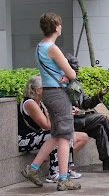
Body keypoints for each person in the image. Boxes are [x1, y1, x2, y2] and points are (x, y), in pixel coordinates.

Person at [21, 12, 81, 191]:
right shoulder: (52, 48)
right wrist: (67, 75)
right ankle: (64, 179)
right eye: (60, 25)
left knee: (56, 134)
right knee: (64, 136)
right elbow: (72, 73)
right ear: (56, 27)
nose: (61, 27)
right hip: (58, 94)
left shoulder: (39, 47)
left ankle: (32, 169)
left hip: (48, 92)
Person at [18, 74, 88, 183]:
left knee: (75, 136)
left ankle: (65, 168)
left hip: (39, 135)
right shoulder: (30, 103)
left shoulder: (40, 101)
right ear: (37, 90)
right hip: (24, 140)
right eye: (45, 88)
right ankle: (54, 173)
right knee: (58, 135)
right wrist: (57, 112)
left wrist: (67, 111)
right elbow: (47, 125)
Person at [64, 53, 109, 170]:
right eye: (73, 65)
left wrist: (99, 95)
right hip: (71, 121)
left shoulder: (76, 83)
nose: (77, 68)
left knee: (99, 128)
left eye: (77, 65)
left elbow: (86, 103)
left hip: (80, 118)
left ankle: (107, 160)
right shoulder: (62, 84)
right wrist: (78, 112)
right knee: (102, 118)